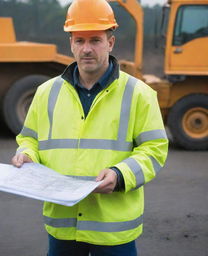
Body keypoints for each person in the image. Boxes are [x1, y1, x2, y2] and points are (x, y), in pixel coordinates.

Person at [11, 0, 169, 255]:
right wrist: (27, 154)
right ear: (70, 43)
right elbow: (29, 139)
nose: (86, 49)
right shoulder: (45, 93)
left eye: (95, 40)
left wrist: (120, 175)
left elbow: (154, 150)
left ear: (110, 42)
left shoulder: (139, 94)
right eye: (79, 40)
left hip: (113, 230)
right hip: (62, 226)